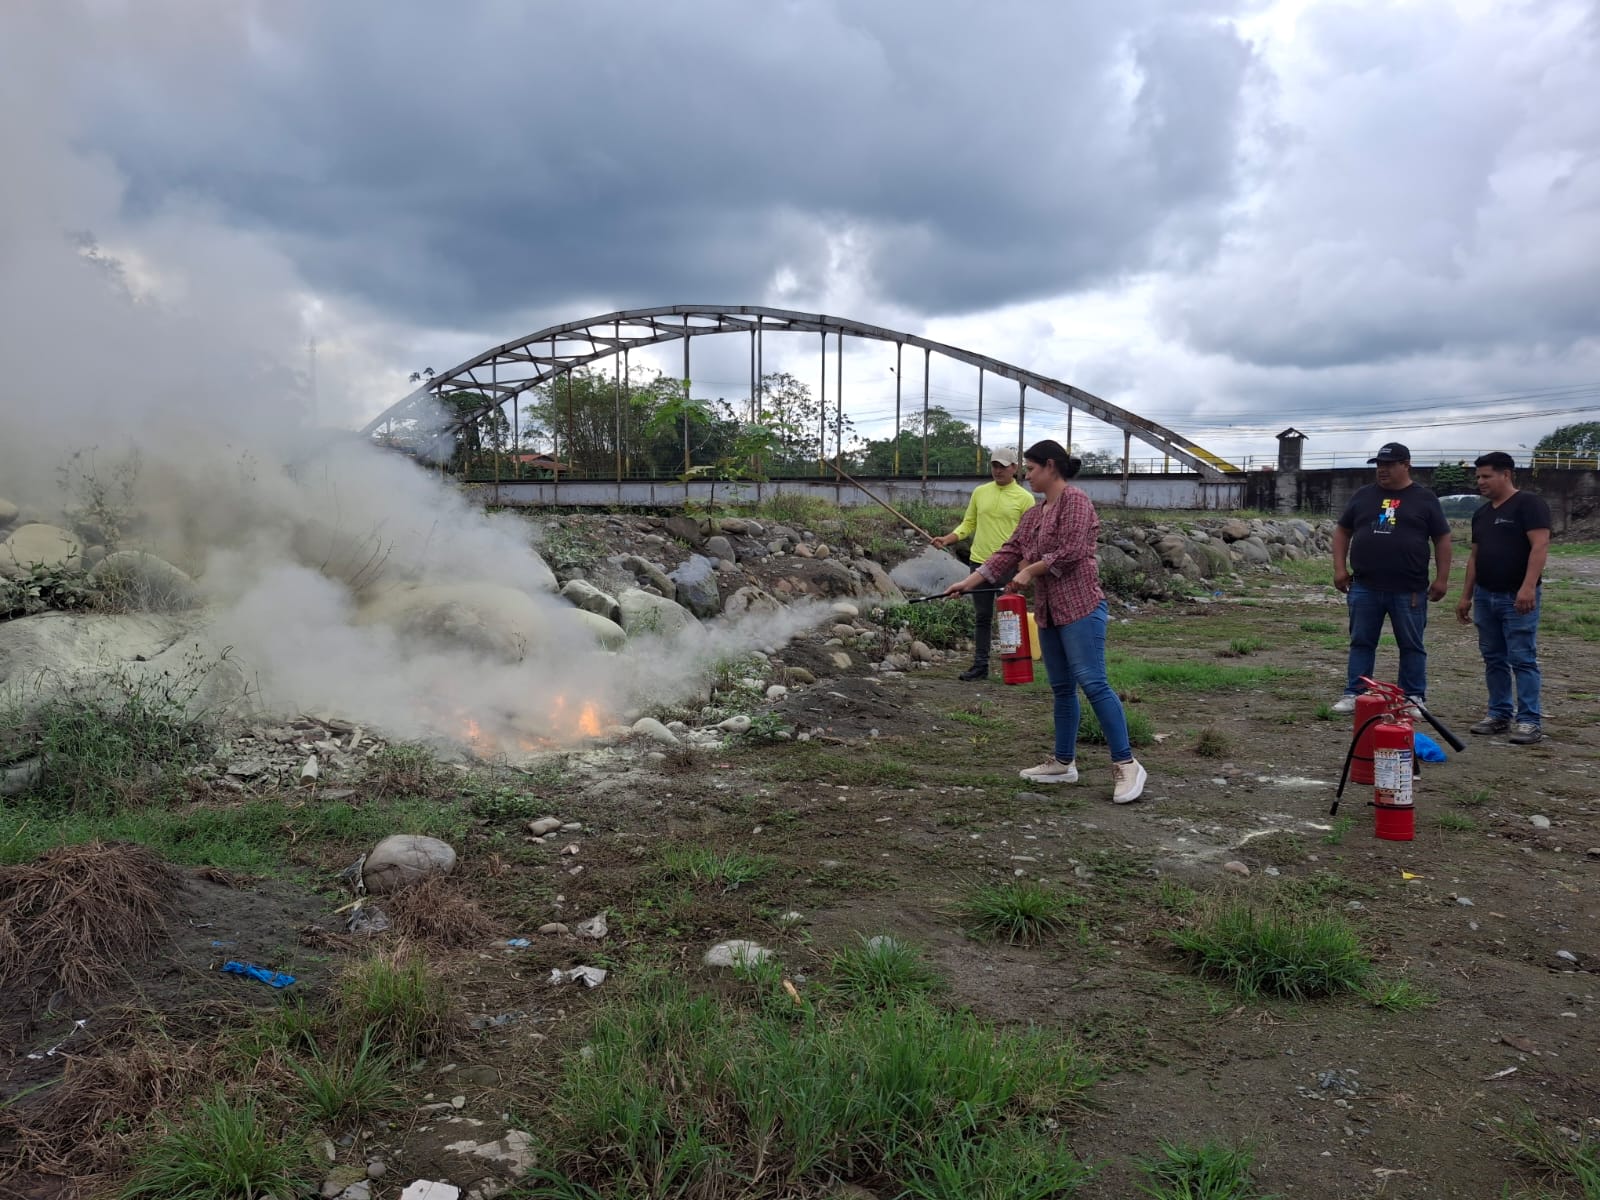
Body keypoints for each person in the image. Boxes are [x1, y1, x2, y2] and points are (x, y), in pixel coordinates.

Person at [944, 440, 1147, 804]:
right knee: (1062, 688)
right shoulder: (1035, 513)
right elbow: (1009, 551)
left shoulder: (1076, 501)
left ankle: (1126, 763)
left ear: (1051, 466)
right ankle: (1063, 763)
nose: (1027, 475)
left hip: (1081, 607)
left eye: (1031, 468)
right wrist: (969, 582)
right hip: (1050, 613)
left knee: (1093, 682)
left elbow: (1073, 551)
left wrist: (1030, 572)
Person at [1330, 442, 1452, 714]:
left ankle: (1412, 697)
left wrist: (1442, 578)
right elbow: (1342, 531)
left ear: (1406, 465)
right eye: (1379, 465)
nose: (1382, 470)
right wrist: (1339, 568)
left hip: (1409, 589)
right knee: (1361, 641)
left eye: (1389, 464)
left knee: (1411, 645)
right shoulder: (1363, 495)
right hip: (1365, 585)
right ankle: (1355, 693)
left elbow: (1442, 538)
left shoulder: (1424, 498)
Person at [1454, 451, 1550, 745]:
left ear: (1506, 474)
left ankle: (1529, 720)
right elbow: (1475, 557)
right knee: (1493, 658)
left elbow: (1540, 546)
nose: (1480, 482)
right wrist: (1466, 596)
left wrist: (1528, 587)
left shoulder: (1529, 504)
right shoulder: (1482, 513)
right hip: (1485, 596)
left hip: (1516, 596)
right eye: (1478, 477)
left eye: (1486, 476)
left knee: (1522, 657)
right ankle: (1499, 714)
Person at [932, 446, 1036, 681]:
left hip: (1009, 566)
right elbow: (968, 524)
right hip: (979, 563)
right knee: (982, 616)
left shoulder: (1025, 498)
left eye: (1003, 466)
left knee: (1010, 616)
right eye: (994, 465)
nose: (997, 470)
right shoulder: (980, 492)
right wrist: (948, 539)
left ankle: (1016, 666)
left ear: (1014, 468)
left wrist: (1025, 565)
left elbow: (1029, 537)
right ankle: (980, 665)